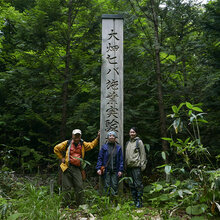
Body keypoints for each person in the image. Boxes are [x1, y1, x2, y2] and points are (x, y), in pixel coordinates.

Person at [54, 129, 100, 207]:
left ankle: (81, 205)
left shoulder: (82, 144)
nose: (77, 137)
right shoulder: (67, 143)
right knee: (66, 187)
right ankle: (65, 205)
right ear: (72, 136)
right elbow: (56, 148)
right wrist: (61, 157)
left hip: (77, 168)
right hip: (67, 167)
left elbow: (91, 145)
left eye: (78, 135)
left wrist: (98, 138)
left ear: (80, 136)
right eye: (75, 135)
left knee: (79, 186)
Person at [96, 131, 123, 196]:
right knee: (106, 185)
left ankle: (114, 201)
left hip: (115, 169)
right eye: (110, 136)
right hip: (106, 170)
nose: (111, 137)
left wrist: (120, 170)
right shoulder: (104, 147)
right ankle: (106, 201)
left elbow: (121, 160)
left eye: (113, 136)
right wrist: (98, 168)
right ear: (107, 138)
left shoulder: (118, 148)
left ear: (115, 138)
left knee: (114, 185)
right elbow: (100, 158)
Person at [125, 127, 146, 208]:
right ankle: (134, 201)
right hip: (129, 167)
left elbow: (143, 154)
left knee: (138, 184)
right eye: (131, 132)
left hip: (137, 166)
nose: (132, 133)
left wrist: (143, 165)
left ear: (136, 133)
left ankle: (139, 201)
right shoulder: (128, 143)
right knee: (131, 184)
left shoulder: (139, 142)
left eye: (133, 132)